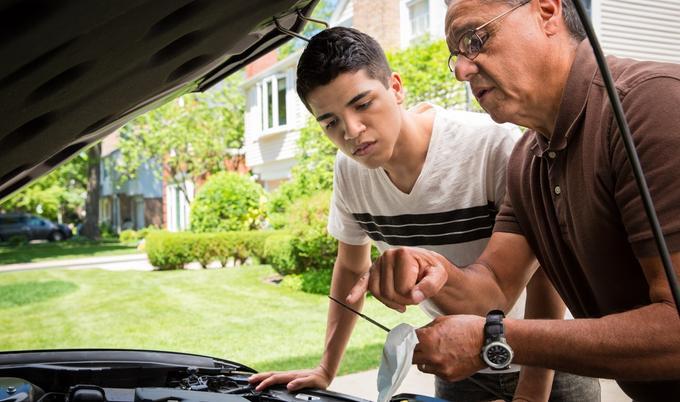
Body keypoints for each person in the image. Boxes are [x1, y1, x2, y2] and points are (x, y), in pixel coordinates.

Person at [346, 1, 680, 400]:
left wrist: (495, 339)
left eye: (476, 39)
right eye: (456, 57)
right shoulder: (527, 162)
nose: (463, 70)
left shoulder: (651, 105)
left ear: (547, 11)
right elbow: (492, 288)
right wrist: (432, 269)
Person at [248, 26, 599, 401]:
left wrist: (532, 393)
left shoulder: (490, 145)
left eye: (363, 104)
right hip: (457, 357)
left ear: (396, 88)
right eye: (330, 122)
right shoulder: (349, 170)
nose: (351, 131)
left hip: (548, 358)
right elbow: (351, 266)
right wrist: (326, 367)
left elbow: (545, 274)